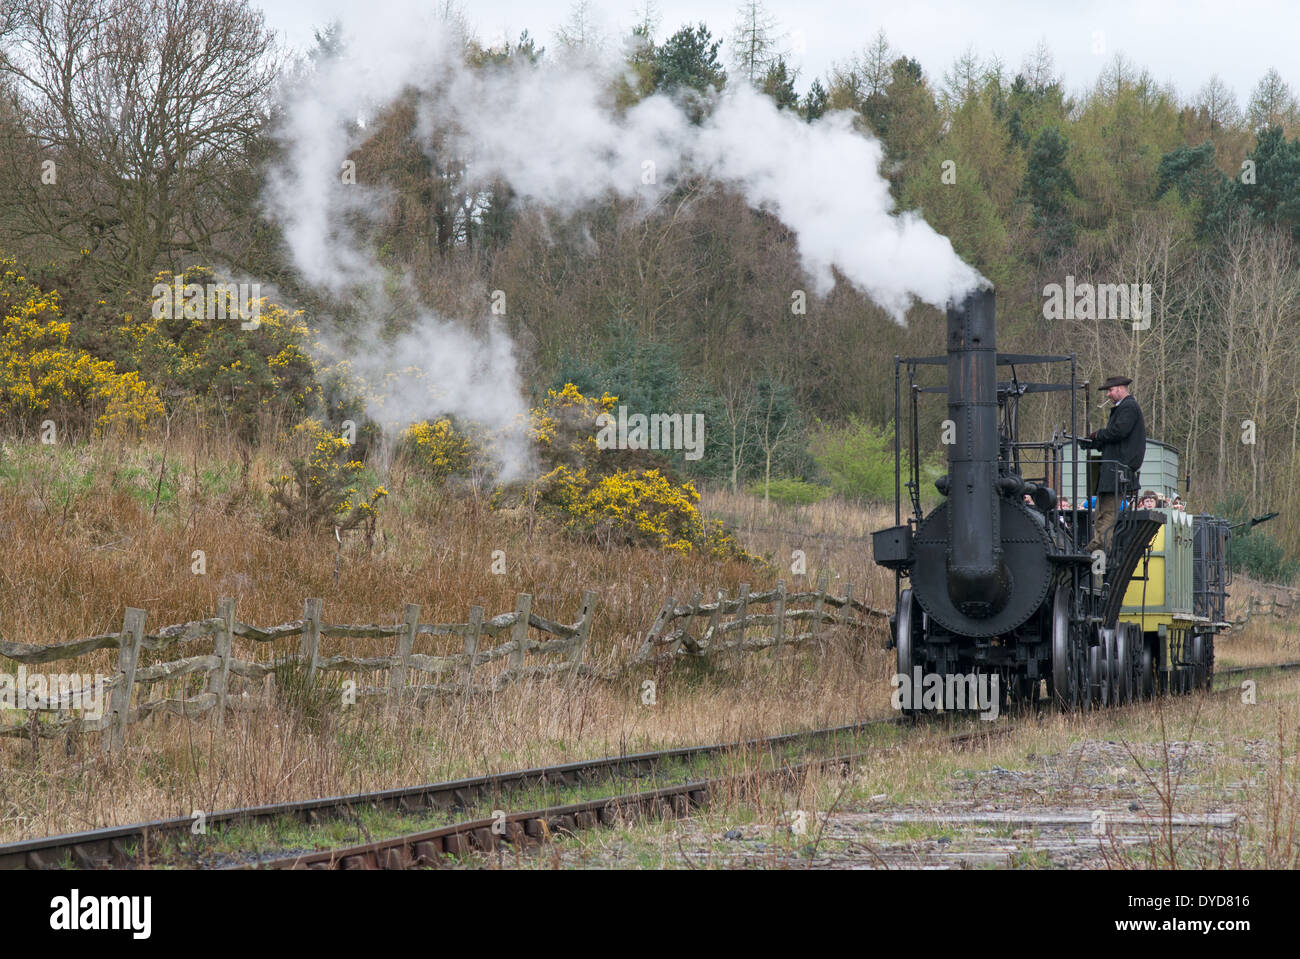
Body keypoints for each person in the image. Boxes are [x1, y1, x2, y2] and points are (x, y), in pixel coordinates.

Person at [1081, 375, 1146, 554]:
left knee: (1108, 513)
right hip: (1112, 471)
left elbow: (1119, 432)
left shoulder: (1129, 407)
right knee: (1101, 512)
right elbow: (1114, 438)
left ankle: (1100, 548)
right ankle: (1098, 544)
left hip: (1118, 470)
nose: (1108, 394)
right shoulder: (1123, 408)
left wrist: (1098, 435)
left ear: (1120, 388)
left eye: (1110, 390)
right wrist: (1093, 442)